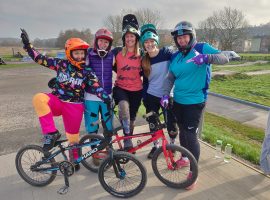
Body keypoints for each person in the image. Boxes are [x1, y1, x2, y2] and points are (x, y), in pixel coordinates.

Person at [20, 29, 111, 170]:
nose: (80, 56)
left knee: (73, 139)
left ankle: (73, 161)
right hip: (57, 101)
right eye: (77, 53)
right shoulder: (60, 64)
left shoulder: (87, 71)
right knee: (39, 98)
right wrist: (28, 46)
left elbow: (96, 87)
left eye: (82, 53)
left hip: (74, 106)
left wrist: (107, 99)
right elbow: (40, 59)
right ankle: (51, 134)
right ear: (70, 53)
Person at [160, 21, 229, 189]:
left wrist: (207, 58)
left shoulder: (202, 48)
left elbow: (224, 58)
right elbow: (170, 78)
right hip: (178, 101)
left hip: (195, 102)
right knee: (183, 132)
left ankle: (193, 172)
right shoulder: (176, 56)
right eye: (179, 38)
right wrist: (165, 94)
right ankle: (185, 158)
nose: (182, 40)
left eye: (185, 37)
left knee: (190, 135)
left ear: (191, 37)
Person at [140, 23, 178, 159]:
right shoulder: (144, 60)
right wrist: (144, 97)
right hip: (151, 96)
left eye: (151, 41)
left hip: (168, 95)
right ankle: (155, 146)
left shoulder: (166, 53)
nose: (149, 44)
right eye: (146, 42)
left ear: (156, 41)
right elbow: (145, 82)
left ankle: (172, 146)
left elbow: (179, 64)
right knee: (152, 123)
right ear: (143, 45)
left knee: (171, 123)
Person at [112, 14, 142, 150]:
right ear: (124, 38)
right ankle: (127, 140)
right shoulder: (117, 52)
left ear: (136, 38)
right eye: (127, 36)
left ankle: (128, 138)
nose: (130, 39)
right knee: (123, 107)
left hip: (137, 89)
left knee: (132, 117)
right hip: (121, 88)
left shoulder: (142, 54)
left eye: (132, 36)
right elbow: (103, 60)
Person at [84, 28, 114, 138]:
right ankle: (94, 149)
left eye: (106, 42)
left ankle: (109, 147)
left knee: (108, 124)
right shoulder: (88, 54)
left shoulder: (112, 55)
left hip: (107, 96)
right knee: (92, 124)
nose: (103, 44)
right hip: (91, 96)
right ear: (96, 41)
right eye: (101, 41)